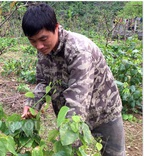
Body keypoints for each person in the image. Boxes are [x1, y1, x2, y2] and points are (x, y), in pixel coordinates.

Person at [21, 3, 125, 156]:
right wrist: (33, 104)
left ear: (56, 27)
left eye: (43, 38)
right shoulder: (44, 49)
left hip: (104, 111)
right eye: (33, 41)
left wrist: (67, 140)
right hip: (73, 115)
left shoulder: (79, 51)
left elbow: (78, 99)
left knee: (114, 154)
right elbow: (44, 81)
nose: (39, 46)